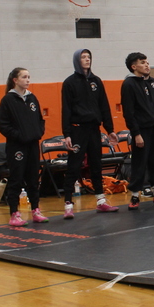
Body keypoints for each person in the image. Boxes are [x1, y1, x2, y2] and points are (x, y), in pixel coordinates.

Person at [61, 48, 119, 218]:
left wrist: (110, 129)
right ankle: (68, 203)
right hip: (77, 129)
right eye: (83, 57)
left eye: (89, 57)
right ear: (76, 60)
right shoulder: (69, 83)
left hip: (94, 129)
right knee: (74, 166)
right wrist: (67, 134)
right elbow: (66, 109)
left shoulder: (96, 81)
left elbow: (104, 106)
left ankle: (101, 201)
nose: (87, 59)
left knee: (96, 165)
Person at [0, 67, 47, 226]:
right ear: (15, 80)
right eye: (24, 77)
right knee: (16, 179)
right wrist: (19, 136)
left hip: (33, 144)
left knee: (33, 179)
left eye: (29, 77)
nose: (27, 80)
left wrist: (38, 132)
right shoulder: (8, 100)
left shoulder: (32, 98)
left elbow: (40, 119)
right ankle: (14, 213)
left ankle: (36, 210)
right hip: (17, 147)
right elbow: (2, 125)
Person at [122, 52, 154, 207]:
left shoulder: (147, 83)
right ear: (134, 66)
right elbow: (129, 112)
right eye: (142, 62)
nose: (147, 65)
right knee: (139, 163)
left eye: (147, 62)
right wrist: (136, 134)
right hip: (140, 131)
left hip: (152, 128)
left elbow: (151, 110)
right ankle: (135, 196)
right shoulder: (129, 84)